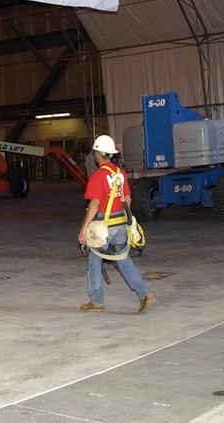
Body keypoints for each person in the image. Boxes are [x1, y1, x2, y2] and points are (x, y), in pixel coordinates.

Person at [77, 134, 154, 313]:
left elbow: (94, 204)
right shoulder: (120, 174)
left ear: (99, 154)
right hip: (120, 222)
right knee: (123, 260)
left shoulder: (98, 176)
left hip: (104, 225)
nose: (94, 155)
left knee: (94, 261)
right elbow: (127, 198)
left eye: (95, 152)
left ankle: (96, 301)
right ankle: (145, 294)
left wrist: (83, 229)